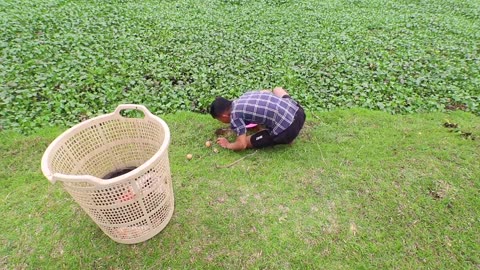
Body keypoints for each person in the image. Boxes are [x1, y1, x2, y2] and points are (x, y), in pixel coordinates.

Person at [209, 87, 306, 151]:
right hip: (298, 111)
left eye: (220, 119)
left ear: (224, 116)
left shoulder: (234, 115)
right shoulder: (245, 96)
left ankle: (287, 136)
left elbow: (242, 145)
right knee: (277, 89)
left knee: (246, 141)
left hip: (289, 129)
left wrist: (228, 145)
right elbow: (266, 92)